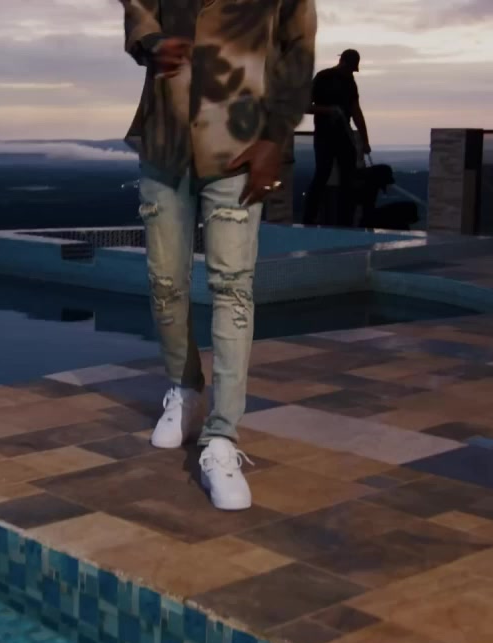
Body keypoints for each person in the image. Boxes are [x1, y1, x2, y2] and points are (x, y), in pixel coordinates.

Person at [118, 0, 316, 511]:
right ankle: (185, 391)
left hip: (239, 146)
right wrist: (149, 39)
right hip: (164, 141)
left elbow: (298, 53)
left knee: (232, 287)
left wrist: (275, 139)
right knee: (165, 280)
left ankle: (222, 437)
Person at [303, 49, 370, 227]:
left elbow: (356, 111)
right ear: (342, 62)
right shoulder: (323, 77)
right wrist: (329, 110)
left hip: (344, 136)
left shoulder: (350, 82)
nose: (350, 73)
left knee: (348, 178)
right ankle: (309, 219)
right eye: (349, 68)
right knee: (322, 173)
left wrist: (365, 140)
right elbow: (304, 106)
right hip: (324, 135)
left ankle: (345, 222)